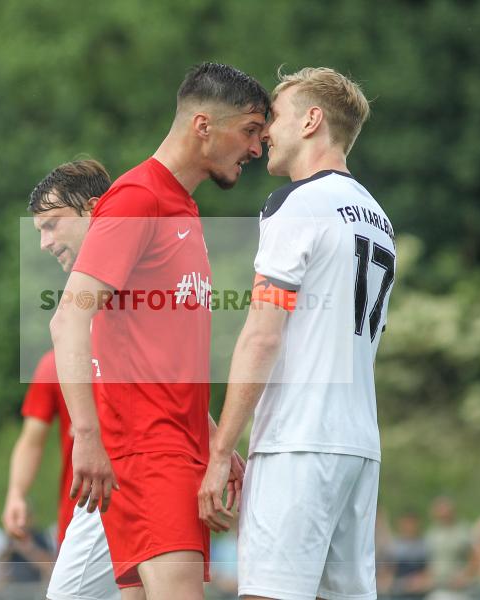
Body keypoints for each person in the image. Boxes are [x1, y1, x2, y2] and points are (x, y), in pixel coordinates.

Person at [50, 62, 269, 599]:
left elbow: (160, 354)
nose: (257, 148)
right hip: (150, 456)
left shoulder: (182, 208)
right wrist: (87, 437)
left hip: (172, 450)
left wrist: (212, 438)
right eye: (249, 131)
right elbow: (68, 317)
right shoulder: (138, 198)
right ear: (202, 125)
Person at [198, 66, 391, 600]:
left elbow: (263, 336)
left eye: (276, 117)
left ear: (311, 121)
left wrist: (220, 451)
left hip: (298, 440)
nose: (264, 134)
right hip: (359, 445)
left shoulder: (297, 203)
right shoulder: (378, 217)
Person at [8, 159, 119, 599]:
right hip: (85, 507)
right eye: (39, 230)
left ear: (92, 209)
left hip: (124, 489)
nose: (43, 243)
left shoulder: (130, 296)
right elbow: (32, 439)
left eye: (52, 225)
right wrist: (17, 493)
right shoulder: (53, 364)